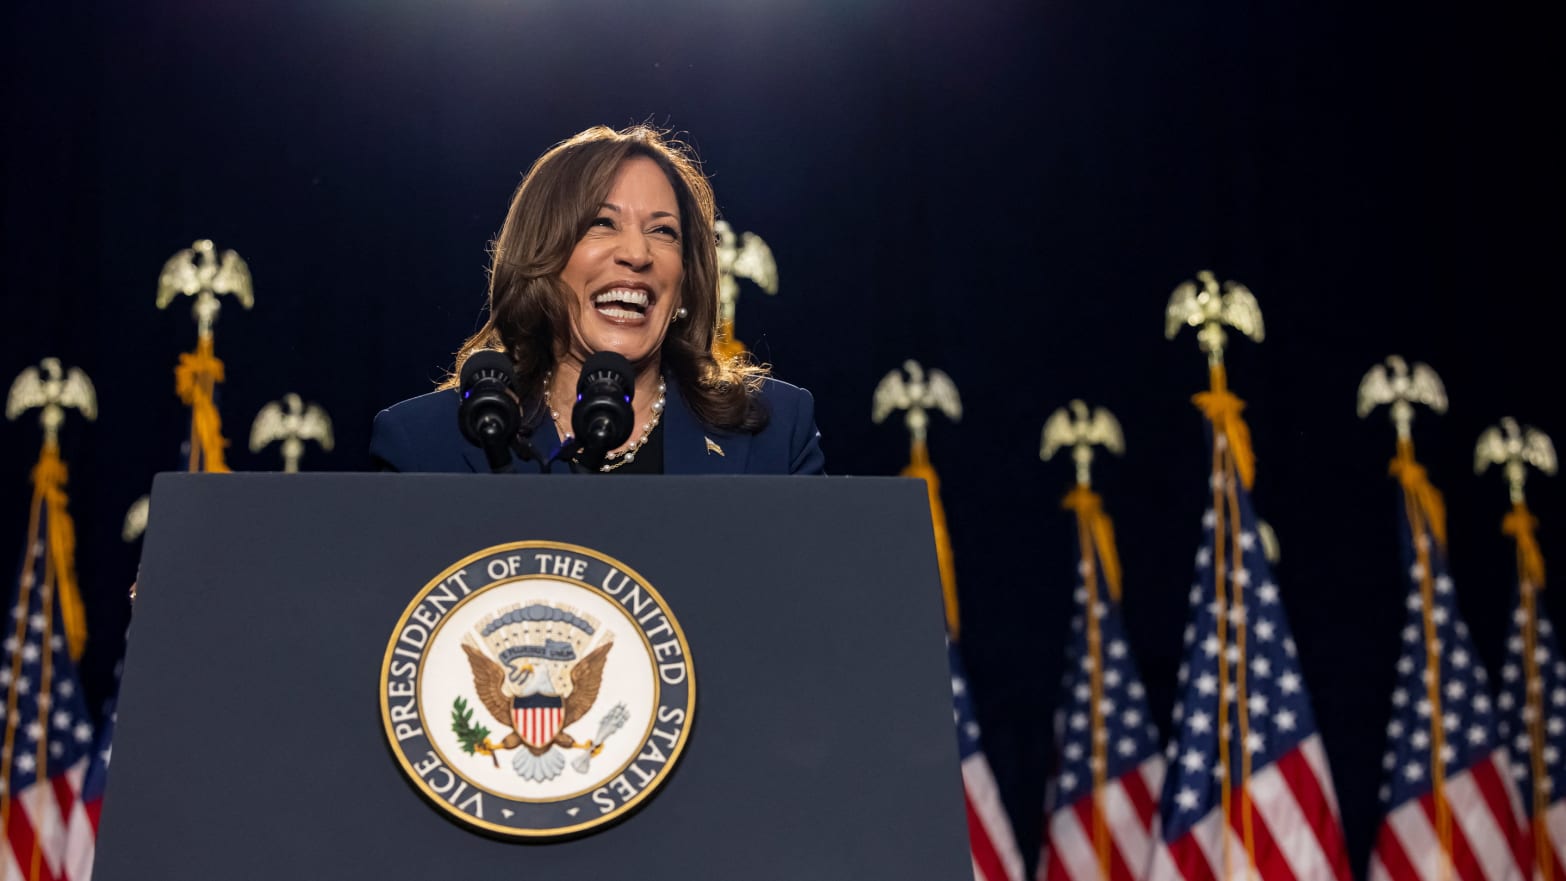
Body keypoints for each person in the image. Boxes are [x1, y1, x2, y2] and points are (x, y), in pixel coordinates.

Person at [370, 125, 825, 475]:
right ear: (541, 256)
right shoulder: (426, 445)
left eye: (663, 231)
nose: (636, 253)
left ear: (686, 281)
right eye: (601, 223)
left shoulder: (775, 433)